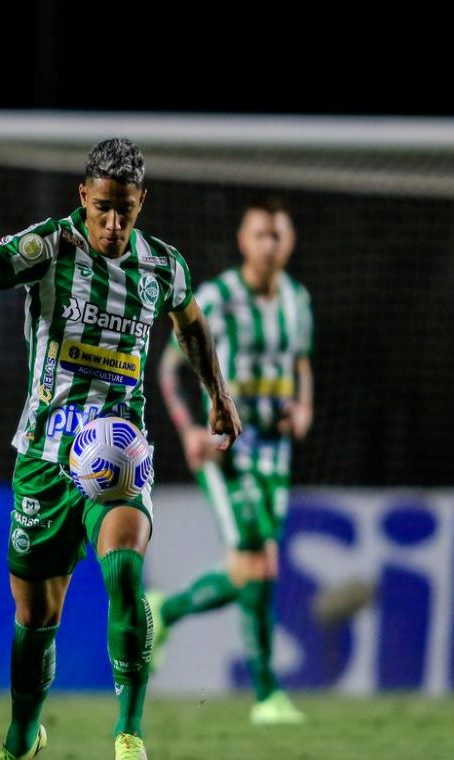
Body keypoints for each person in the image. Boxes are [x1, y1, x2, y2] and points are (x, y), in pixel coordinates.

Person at [0, 138, 241, 760]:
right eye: (103, 207)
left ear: (141, 202)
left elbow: (190, 322)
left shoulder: (163, 266)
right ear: (84, 196)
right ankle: (23, 735)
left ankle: (129, 733)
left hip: (119, 456)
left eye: (125, 209)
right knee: (35, 616)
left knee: (125, 570)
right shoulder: (50, 245)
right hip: (45, 458)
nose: (113, 222)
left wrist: (218, 392)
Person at [149, 200, 313, 726]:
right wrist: (188, 429)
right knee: (257, 562)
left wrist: (304, 408)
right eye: (261, 234)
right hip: (227, 452)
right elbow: (168, 368)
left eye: (278, 235)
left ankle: (163, 611)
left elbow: (301, 364)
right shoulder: (218, 297)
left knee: (255, 568)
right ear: (244, 241)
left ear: (289, 242)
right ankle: (267, 695)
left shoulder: (297, 300)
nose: (270, 244)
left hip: (276, 453)